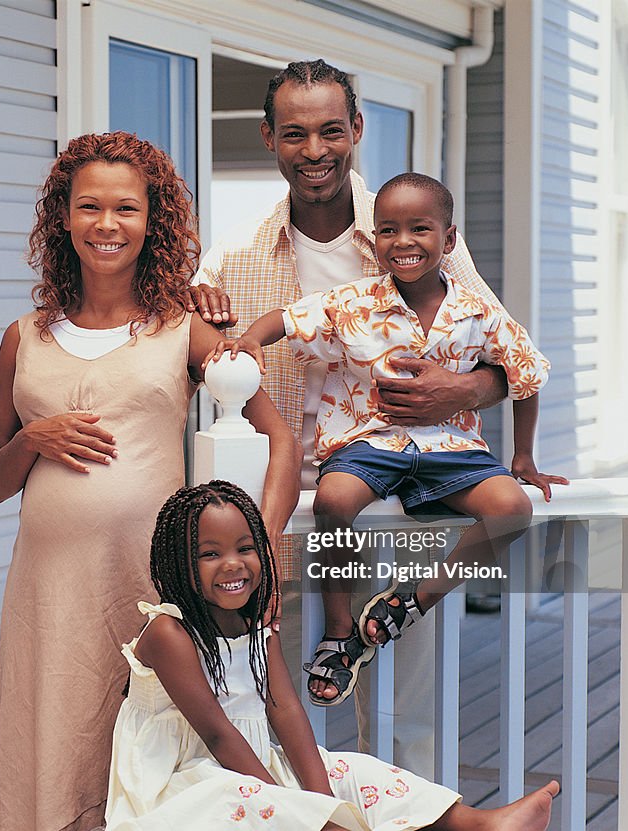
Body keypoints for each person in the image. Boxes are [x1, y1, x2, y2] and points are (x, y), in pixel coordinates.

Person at [189, 57, 514, 771]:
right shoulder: (234, 257)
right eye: (296, 133)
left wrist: (454, 393)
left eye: (331, 131)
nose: (315, 151)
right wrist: (196, 313)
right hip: (272, 513)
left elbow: (503, 359)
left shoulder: (413, 227)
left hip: (403, 504)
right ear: (269, 136)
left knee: (404, 717)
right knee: (262, 706)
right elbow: (191, 360)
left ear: (357, 130)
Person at [0, 132, 299, 831]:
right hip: (50, 586)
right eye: (88, 206)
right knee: (54, 736)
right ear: (62, 216)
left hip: (149, 582)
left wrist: (265, 551)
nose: (106, 224)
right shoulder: (23, 336)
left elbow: (279, 439)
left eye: (126, 208)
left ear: (151, 220)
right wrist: (34, 437)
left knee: (150, 745)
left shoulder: (184, 328)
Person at [207, 172, 569, 706]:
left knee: (512, 508)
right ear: (373, 240)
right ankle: (339, 633)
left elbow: (526, 374)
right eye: (388, 230)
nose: (403, 242)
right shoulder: (354, 302)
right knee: (333, 500)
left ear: (449, 239)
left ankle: (409, 602)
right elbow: (285, 318)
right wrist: (250, 341)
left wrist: (523, 457)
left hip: (452, 450)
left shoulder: (478, 311)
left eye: (419, 229)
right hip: (368, 442)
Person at [103, 479, 559, 831]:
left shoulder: (257, 625)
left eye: (245, 548)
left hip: (252, 762)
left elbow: (285, 712)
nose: (233, 564)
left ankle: (479, 823)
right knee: (250, 797)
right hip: (182, 781)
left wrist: (318, 800)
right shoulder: (169, 631)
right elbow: (218, 736)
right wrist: (304, 810)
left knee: (357, 771)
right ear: (176, 563)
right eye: (209, 553)